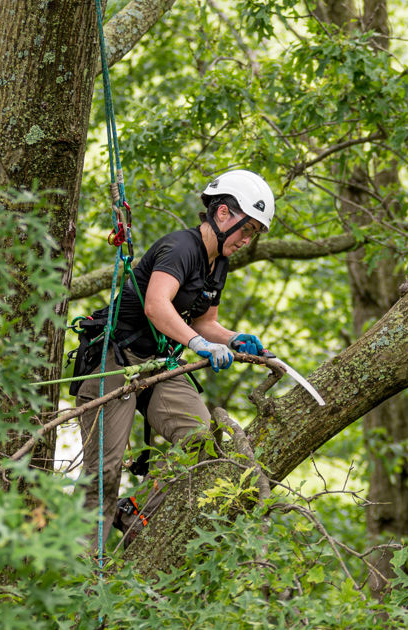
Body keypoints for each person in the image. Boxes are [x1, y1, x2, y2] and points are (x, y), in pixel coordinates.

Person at [73, 169, 275, 551]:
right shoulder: (181, 248)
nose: (248, 240)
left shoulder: (219, 263)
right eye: (246, 230)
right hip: (115, 359)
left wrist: (234, 340)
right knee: (104, 472)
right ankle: (85, 573)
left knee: (205, 446)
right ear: (222, 215)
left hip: (158, 364)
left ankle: (133, 510)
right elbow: (156, 305)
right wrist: (199, 343)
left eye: (255, 235)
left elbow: (205, 320)